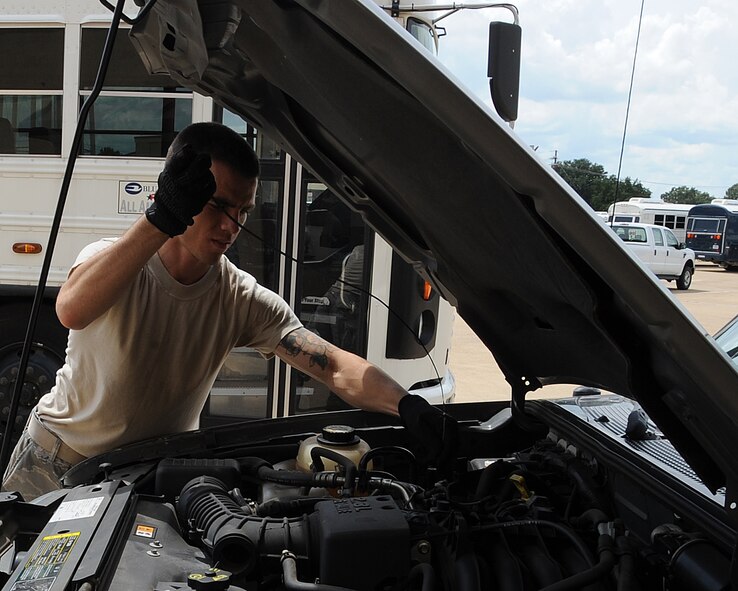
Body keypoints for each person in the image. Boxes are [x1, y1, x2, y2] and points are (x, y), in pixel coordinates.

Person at [2, 122, 457, 501]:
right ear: (176, 189)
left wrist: (408, 405)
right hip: (57, 459)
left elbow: (335, 366)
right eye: (218, 205)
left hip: (143, 475)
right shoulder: (116, 260)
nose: (231, 226)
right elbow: (71, 310)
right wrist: (160, 218)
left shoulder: (239, 299)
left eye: (243, 210)